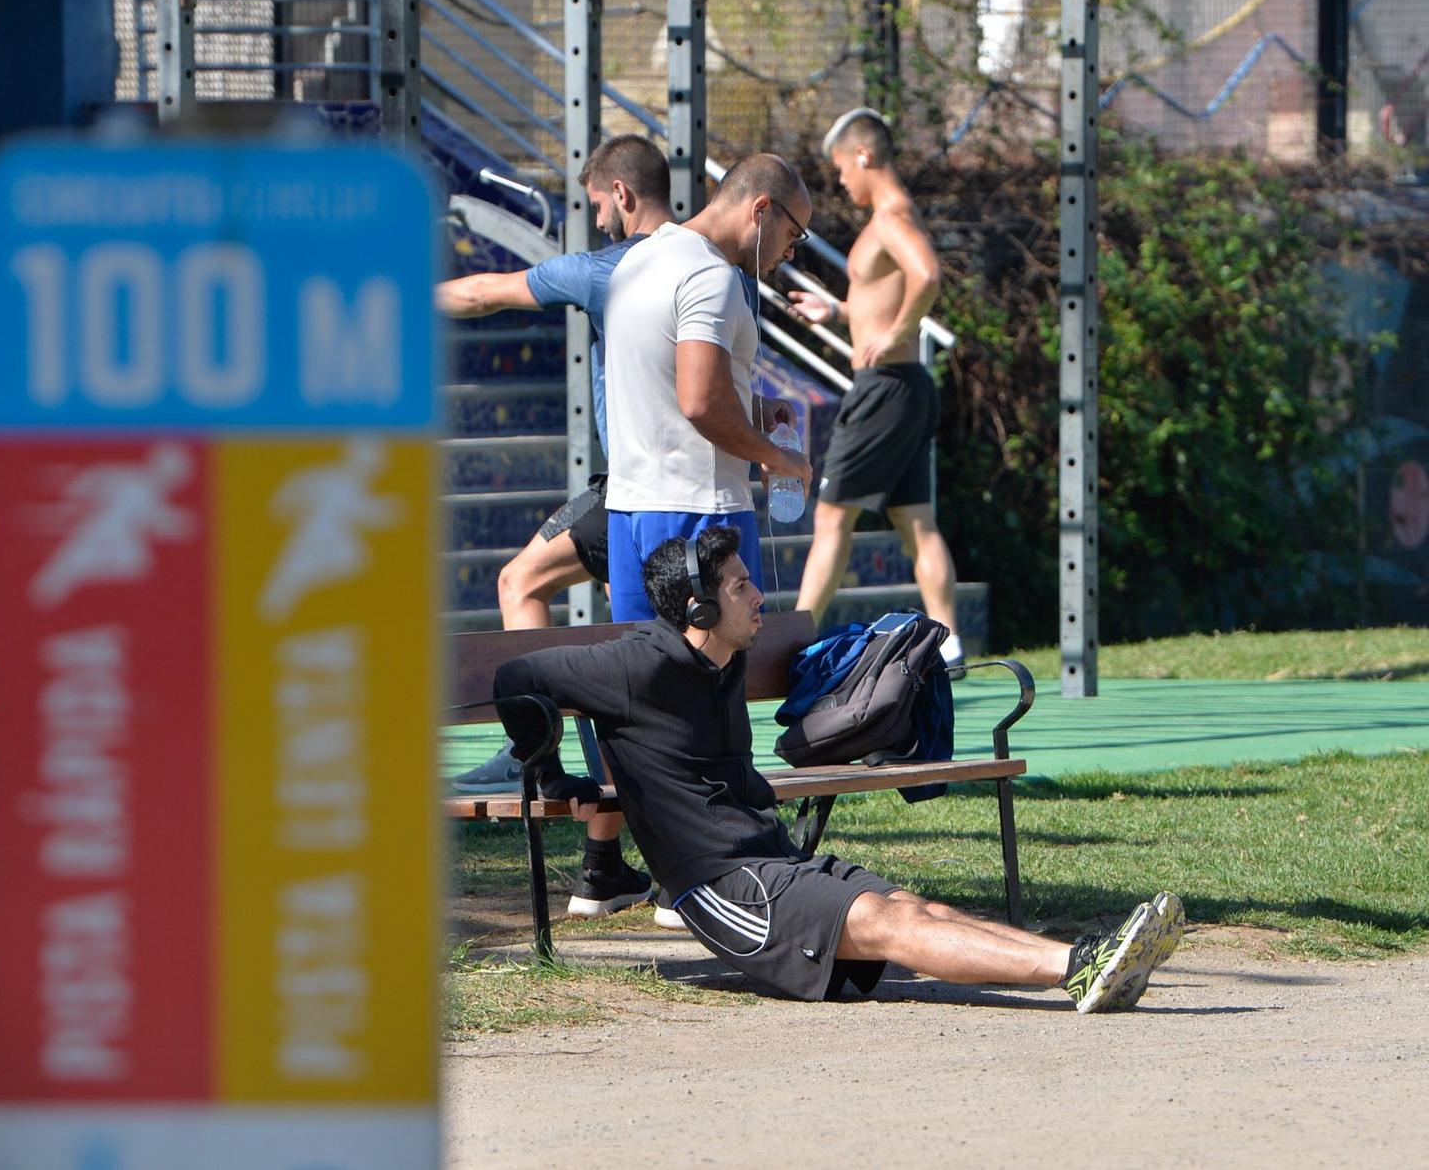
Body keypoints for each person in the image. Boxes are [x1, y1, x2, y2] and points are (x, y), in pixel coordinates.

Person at [493, 526, 1186, 1011]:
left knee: (912, 907)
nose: (757, 595)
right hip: (723, 888)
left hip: (769, 857)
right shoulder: (637, 662)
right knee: (887, 925)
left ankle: (1093, 955)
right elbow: (516, 673)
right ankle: (1077, 970)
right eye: (740, 588)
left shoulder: (721, 658)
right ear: (701, 608)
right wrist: (552, 775)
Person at [437, 134, 675, 918]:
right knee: (625, 668)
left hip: (634, 492)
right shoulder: (702, 263)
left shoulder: (610, 270)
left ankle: (535, 754)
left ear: (622, 195)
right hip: (679, 494)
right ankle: (606, 865)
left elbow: (481, 294)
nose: (594, 216)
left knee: (522, 584)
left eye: (597, 201)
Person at [600, 153, 813, 624]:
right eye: (793, 233)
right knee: (717, 685)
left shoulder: (636, 262)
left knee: (642, 682)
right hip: (700, 512)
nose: (791, 251)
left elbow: (663, 383)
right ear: (761, 210)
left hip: (629, 513)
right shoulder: (710, 276)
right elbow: (700, 403)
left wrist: (752, 408)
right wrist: (780, 459)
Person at [788, 109, 964, 668]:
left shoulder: (890, 216)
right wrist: (837, 310)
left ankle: (790, 644)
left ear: (863, 156)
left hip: (885, 389)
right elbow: (883, 296)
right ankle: (951, 644)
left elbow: (927, 274)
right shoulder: (887, 219)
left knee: (831, 517)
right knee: (916, 522)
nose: (840, 181)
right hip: (906, 386)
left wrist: (898, 333)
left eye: (841, 167)